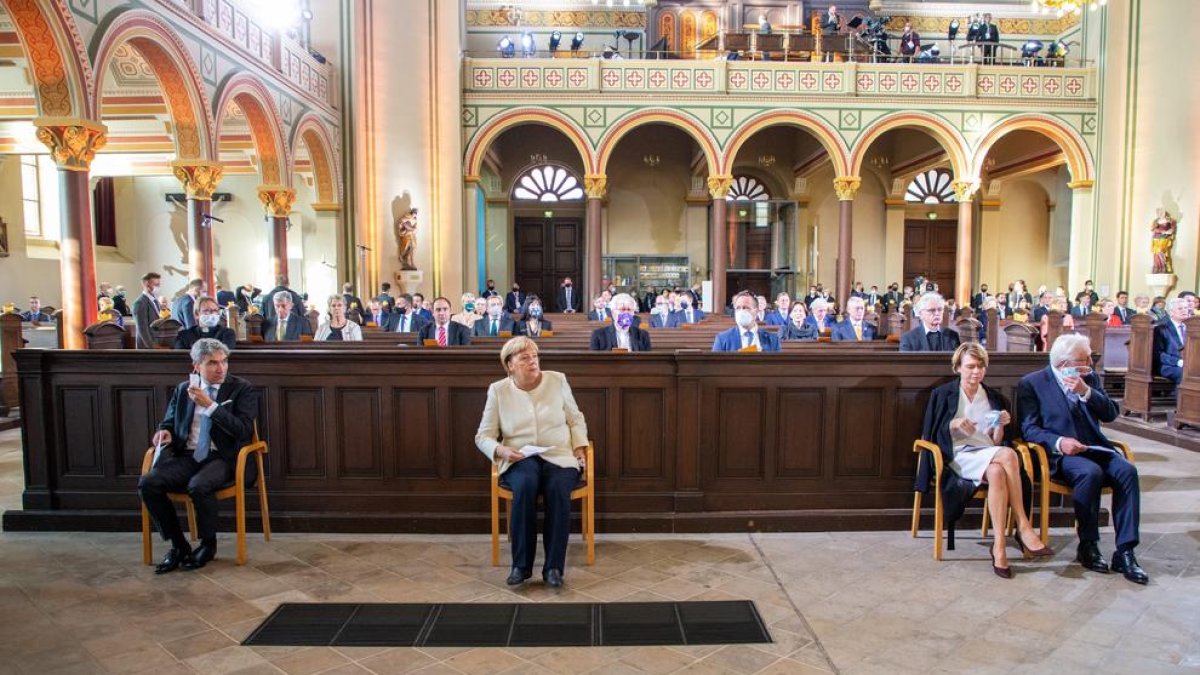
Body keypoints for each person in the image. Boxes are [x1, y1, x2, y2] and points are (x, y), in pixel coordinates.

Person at [1017, 334, 1147, 584]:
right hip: (1061, 455)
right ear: (1065, 364)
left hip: (1095, 447)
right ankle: (1088, 544)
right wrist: (1059, 442)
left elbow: (1110, 413)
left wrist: (1086, 391)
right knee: (1090, 473)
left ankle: (1126, 551)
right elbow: (1029, 429)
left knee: (1127, 471)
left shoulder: (1089, 377)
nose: (1090, 362)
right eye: (1084, 359)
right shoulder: (1032, 383)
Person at [918, 343, 1051, 578]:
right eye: (970, 366)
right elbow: (931, 433)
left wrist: (1000, 425)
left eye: (980, 367)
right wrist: (952, 424)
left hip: (988, 453)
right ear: (958, 368)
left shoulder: (993, 397)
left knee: (999, 471)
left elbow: (997, 440)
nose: (976, 372)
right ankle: (1023, 524)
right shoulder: (943, 394)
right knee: (1009, 455)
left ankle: (999, 546)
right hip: (958, 456)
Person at [475, 337, 588, 588]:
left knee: (558, 489)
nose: (532, 361)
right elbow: (483, 436)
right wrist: (501, 451)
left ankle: (554, 568)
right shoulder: (498, 390)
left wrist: (579, 446)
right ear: (509, 365)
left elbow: (575, 419)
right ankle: (521, 566)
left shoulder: (557, 380)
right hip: (520, 457)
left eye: (535, 356)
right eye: (524, 357)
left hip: (558, 453)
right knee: (525, 485)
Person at [139, 339, 259, 573]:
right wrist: (164, 432)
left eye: (224, 362)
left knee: (199, 485)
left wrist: (211, 406)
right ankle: (179, 545)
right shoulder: (185, 389)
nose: (220, 368)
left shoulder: (241, 388)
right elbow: (169, 422)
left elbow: (243, 430)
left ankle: (207, 544)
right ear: (196, 366)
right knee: (148, 483)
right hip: (188, 455)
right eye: (212, 363)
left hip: (224, 456)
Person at [713, 291, 781, 352]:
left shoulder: (773, 339)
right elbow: (715, 365)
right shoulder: (722, 339)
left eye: (746, 308)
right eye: (738, 308)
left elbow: (777, 365)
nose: (741, 311)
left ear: (756, 311)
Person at [1153, 297, 1189, 385]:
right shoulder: (1161, 328)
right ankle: (1181, 398)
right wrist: (1178, 362)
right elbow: (1159, 354)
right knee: (1185, 373)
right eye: (1180, 308)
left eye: (1186, 308)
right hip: (1169, 365)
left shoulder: (1193, 327)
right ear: (1171, 312)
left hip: (1190, 363)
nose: (1184, 311)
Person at [134, 272, 163, 349]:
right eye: (156, 285)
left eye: (159, 285)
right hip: (147, 347)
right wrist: (152, 346)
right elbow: (142, 329)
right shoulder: (140, 303)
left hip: (157, 342)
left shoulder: (155, 301)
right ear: (147, 285)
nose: (158, 287)